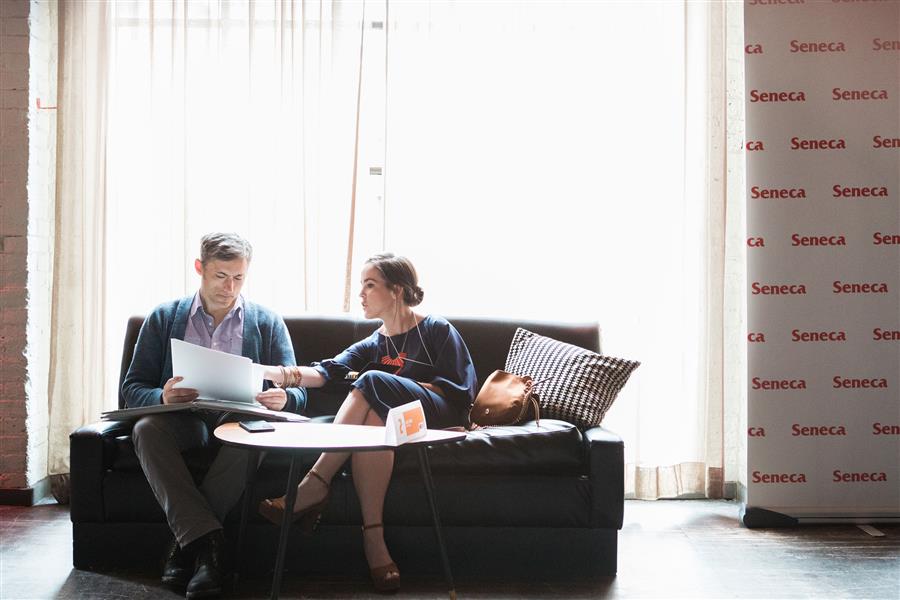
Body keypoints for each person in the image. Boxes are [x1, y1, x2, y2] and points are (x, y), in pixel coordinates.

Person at [256, 252, 477, 593]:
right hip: (393, 428)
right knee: (374, 418)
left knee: (374, 380)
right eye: (361, 285)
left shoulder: (436, 330)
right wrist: (274, 374)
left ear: (397, 291)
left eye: (369, 285)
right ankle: (375, 540)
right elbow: (327, 372)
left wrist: (402, 388)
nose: (361, 294)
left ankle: (315, 483)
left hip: (435, 418)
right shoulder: (373, 342)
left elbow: (461, 393)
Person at [122, 233, 306, 600]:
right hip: (182, 420)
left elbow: (300, 391)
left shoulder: (267, 322)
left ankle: (188, 545)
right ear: (199, 269)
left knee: (254, 435)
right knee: (146, 429)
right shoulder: (163, 317)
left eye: (239, 277)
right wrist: (163, 394)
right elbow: (131, 389)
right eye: (221, 276)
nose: (230, 287)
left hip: (237, 420)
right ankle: (211, 546)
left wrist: (284, 398)